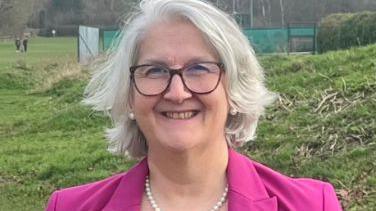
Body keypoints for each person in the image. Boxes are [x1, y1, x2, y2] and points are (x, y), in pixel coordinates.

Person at [45, 0, 343, 210]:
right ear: (130, 95)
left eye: (199, 69)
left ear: (235, 89)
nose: (177, 93)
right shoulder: (70, 207)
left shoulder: (312, 205)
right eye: (155, 70)